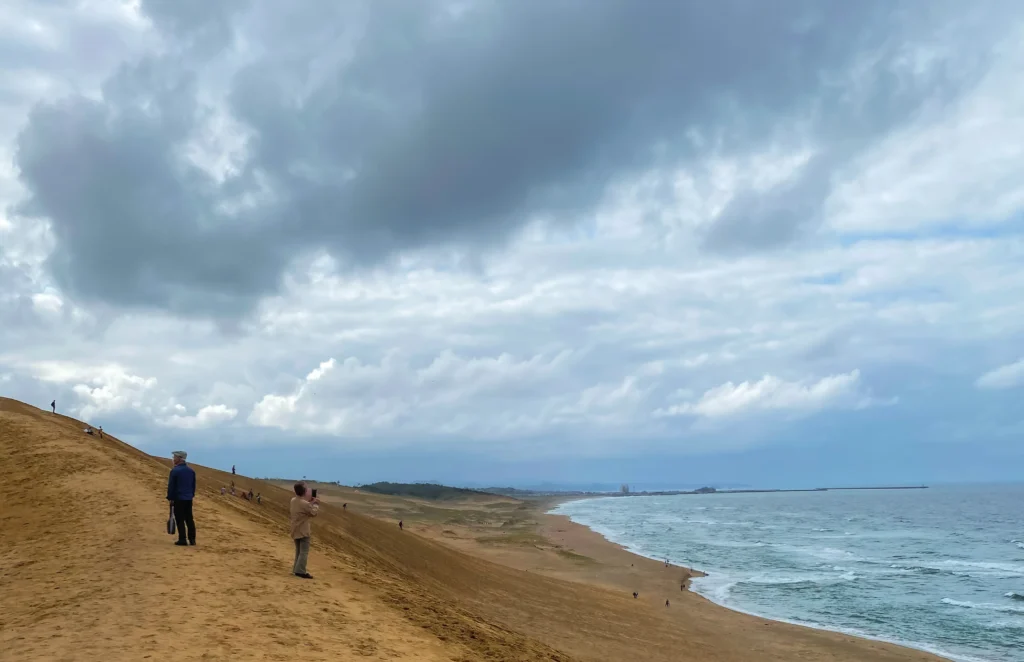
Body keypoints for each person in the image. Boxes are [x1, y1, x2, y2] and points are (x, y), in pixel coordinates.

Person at [166, 451, 197, 546]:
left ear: (179, 458)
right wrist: (191, 495)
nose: (173, 459)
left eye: (174, 457)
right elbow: (193, 485)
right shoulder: (191, 471)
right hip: (188, 498)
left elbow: (171, 486)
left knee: (180, 518)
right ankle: (192, 539)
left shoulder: (175, 471)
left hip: (178, 498)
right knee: (189, 518)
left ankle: (182, 539)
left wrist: (170, 498)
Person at [290, 482, 319, 579]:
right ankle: (300, 571)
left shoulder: (293, 500)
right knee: (304, 552)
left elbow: (303, 507)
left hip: (295, 529)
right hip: (303, 530)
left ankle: (296, 569)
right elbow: (313, 513)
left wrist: (310, 503)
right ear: (305, 491)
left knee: (298, 551)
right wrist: (315, 504)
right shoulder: (305, 503)